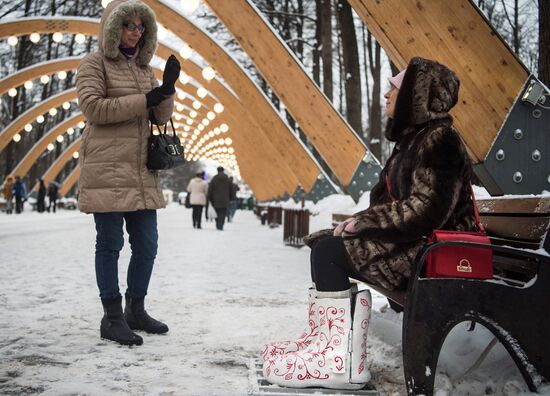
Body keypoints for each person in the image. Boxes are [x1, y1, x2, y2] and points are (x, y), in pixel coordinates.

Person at [261, 57, 478, 390]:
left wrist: (363, 224)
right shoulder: (414, 141)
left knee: (329, 253)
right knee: (324, 246)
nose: (387, 95)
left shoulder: (439, 140)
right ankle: (326, 343)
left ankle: (338, 360)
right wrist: (362, 222)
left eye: (395, 89)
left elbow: (426, 210)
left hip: (435, 252)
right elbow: (389, 204)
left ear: (415, 97)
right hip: (417, 245)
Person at [76, 0, 180, 346]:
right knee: (110, 244)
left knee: (147, 245)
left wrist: (166, 92)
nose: (136, 32)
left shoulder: (143, 69)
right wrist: (146, 98)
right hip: (106, 168)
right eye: (130, 26)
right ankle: (112, 317)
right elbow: (94, 108)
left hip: (139, 171)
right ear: (113, 28)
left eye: (141, 27)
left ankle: (137, 308)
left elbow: (159, 119)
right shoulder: (94, 64)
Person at [207, 166, 232, 230]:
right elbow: (231, 189)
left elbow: (210, 189)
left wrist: (209, 197)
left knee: (217, 212)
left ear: (217, 170)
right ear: (223, 170)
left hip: (215, 199)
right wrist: (231, 198)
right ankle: (221, 225)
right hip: (225, 199)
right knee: (223, 213)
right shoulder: (227, 179)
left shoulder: (214, 179)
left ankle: (218, 223)